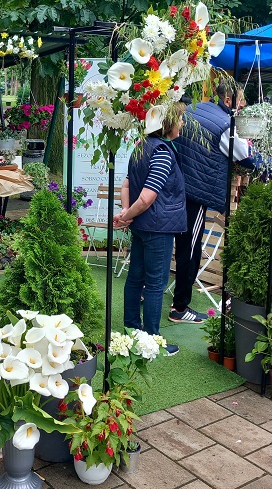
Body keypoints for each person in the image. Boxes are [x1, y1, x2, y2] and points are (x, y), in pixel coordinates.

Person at [170, 85, 272, 323]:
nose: (244, 106)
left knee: (171, 241)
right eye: (242, 101)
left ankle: (149, 291)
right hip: (194, 191)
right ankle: (179, 308)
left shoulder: (196, 109)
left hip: (174, 186)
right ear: (229, 99)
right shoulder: (226, 124)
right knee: (190, 248)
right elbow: (247, 158)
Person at [115, 102, 186, 355]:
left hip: (142, 226)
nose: (182, 124)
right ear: (168, 125)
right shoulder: (163, 152)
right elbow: (147, 198)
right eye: (179, 120)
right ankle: (153, 340)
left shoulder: (140, 147)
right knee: (156, 283)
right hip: (159, 227)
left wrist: (126, 214)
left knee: (135, 278)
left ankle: (132, 330)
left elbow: (126, 185)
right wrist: (129, 214)